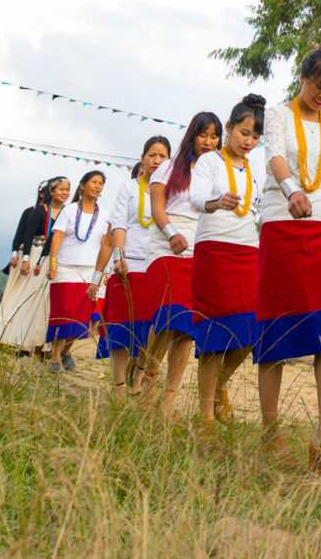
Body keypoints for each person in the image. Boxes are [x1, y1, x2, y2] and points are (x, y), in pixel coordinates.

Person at [258, 49, 321, 471]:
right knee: (276, 333)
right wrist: (292, 189)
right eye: (318, 85)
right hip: (283, 224)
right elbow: (275, 156)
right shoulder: (278, 115)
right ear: (304, 76)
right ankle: (270, 432)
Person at [188, 95, 264, 429]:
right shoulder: (209, 163)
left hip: (249, 250)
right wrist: (216, 201)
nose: (248, 141)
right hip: (215, 249)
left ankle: (221, 384)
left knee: (250, 331)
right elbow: (196, 198)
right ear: (230, 128)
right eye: (244, 132)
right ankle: (204, 414)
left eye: (255, 136)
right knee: (215, 332)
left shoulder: (255, 167)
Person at [144, 113, 224, 414]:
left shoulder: (217, 175)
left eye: (214, 136)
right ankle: (148, 374)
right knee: (169, 315)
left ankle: (168, 400)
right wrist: (171, 233)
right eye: (203, 134)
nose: (208, 141)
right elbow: (157, 208)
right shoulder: (167, 167)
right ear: (192, 135)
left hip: (200, 248)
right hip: (166, 246)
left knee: (188, 328)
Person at [90, 137, 172, 396]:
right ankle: (117, 388)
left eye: (162, 156)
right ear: (142, 158)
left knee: (151, 330)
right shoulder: (129, 187)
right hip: (128, 266)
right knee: (122, 329)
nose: (157, 160)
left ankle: (138, 376)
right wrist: (119, 256)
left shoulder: (172, 192)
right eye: (152, 154)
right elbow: (119, 225)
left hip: (157, 266)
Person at [0, 179, 67, 354]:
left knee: (43, 300)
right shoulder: (34, 212)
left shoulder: (65, 213)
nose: (64, 193)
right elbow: (22, 235)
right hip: (33, 254)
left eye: (66, 190)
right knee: (24, 294)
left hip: (51, 258)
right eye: (60, 189)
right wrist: (20, 257)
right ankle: (11, 332)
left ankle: (38, 339)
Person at [47, 170, 108, 372]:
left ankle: (66, 350)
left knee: (81, 315)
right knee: (63, 312)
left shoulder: (105, 215)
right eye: (93, 182)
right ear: (82, 186)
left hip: (90, 271)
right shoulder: (70, 210)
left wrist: (102, 273)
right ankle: (55, 356)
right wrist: (53, 263)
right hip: (65, 268)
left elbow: (106, 244)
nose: (97, 186)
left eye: (101, 183)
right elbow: (57, 236)